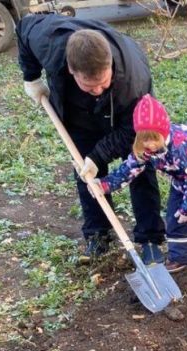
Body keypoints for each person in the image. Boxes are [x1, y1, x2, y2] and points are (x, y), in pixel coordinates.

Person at [16, 14, 165, 265]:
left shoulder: (134, 82)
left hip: (123, 113)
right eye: (89, 85)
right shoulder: (49, 43)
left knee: (140, 165)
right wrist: (31, 77)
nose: (97, 89)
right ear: (71, 70)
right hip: (78, 113)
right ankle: (99, 233)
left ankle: (150, 237)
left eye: (102, 83)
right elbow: (23, 29)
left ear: (110, 66)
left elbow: (131, 131)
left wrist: (100, 155)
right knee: (85, 170)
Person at [94, 94, 187, 285]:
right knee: (174, 218)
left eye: (153, 139)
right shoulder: (146, 149)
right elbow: (129, 169)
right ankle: (181, 255)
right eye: (143, 139)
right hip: (183, 178)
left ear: (163, 132)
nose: (149, 144)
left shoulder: (184, 146)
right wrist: (105, 185)